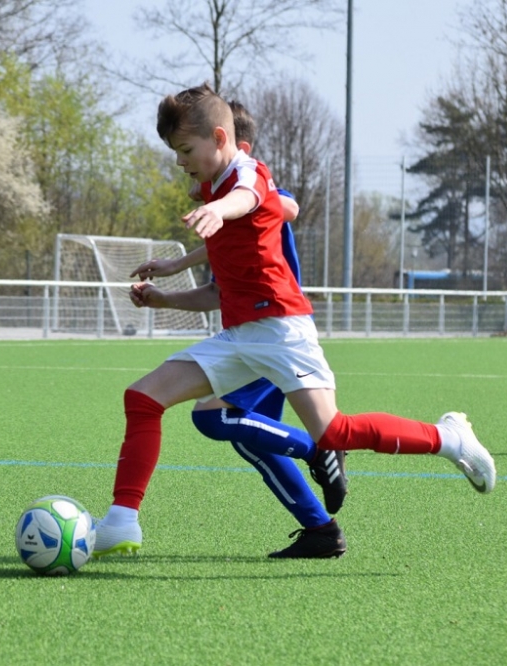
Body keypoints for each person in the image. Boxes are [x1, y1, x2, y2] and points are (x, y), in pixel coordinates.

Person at [92, 84, 496, 558]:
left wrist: (217, 210)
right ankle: (122, 521)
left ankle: (449, 438)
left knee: (334, 433)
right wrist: (164, 295)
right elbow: (220, 289)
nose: (180, 161)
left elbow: (248, 197)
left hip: (283, 331)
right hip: (241, 337)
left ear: (221, 138)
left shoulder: (245, 174)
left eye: (185, 150)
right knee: (143, 398)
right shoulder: (211, 187)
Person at [127, 100, 347, 559]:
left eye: (188, 154)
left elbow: (283, 204)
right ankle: (320, 529)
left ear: (231, 145)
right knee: (249, 437)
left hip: (273, 335)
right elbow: (216, 288)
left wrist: (260, 203)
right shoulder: (226, 202)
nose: (186, 168)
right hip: (259, 331)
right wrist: (170, 282)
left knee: (216, 418)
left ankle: (319, 450)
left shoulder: (251, 190)